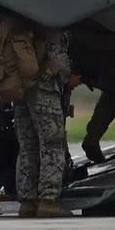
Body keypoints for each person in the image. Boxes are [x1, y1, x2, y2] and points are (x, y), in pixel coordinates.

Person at [16, 25, 79, 218]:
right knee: (52, 145)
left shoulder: (24, 23)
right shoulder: (53, 25)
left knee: (28, 147)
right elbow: (58, 59)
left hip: (20, 91)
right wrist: (69, 79)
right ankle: (48, 202)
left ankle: (27, 203)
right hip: (44, 91)